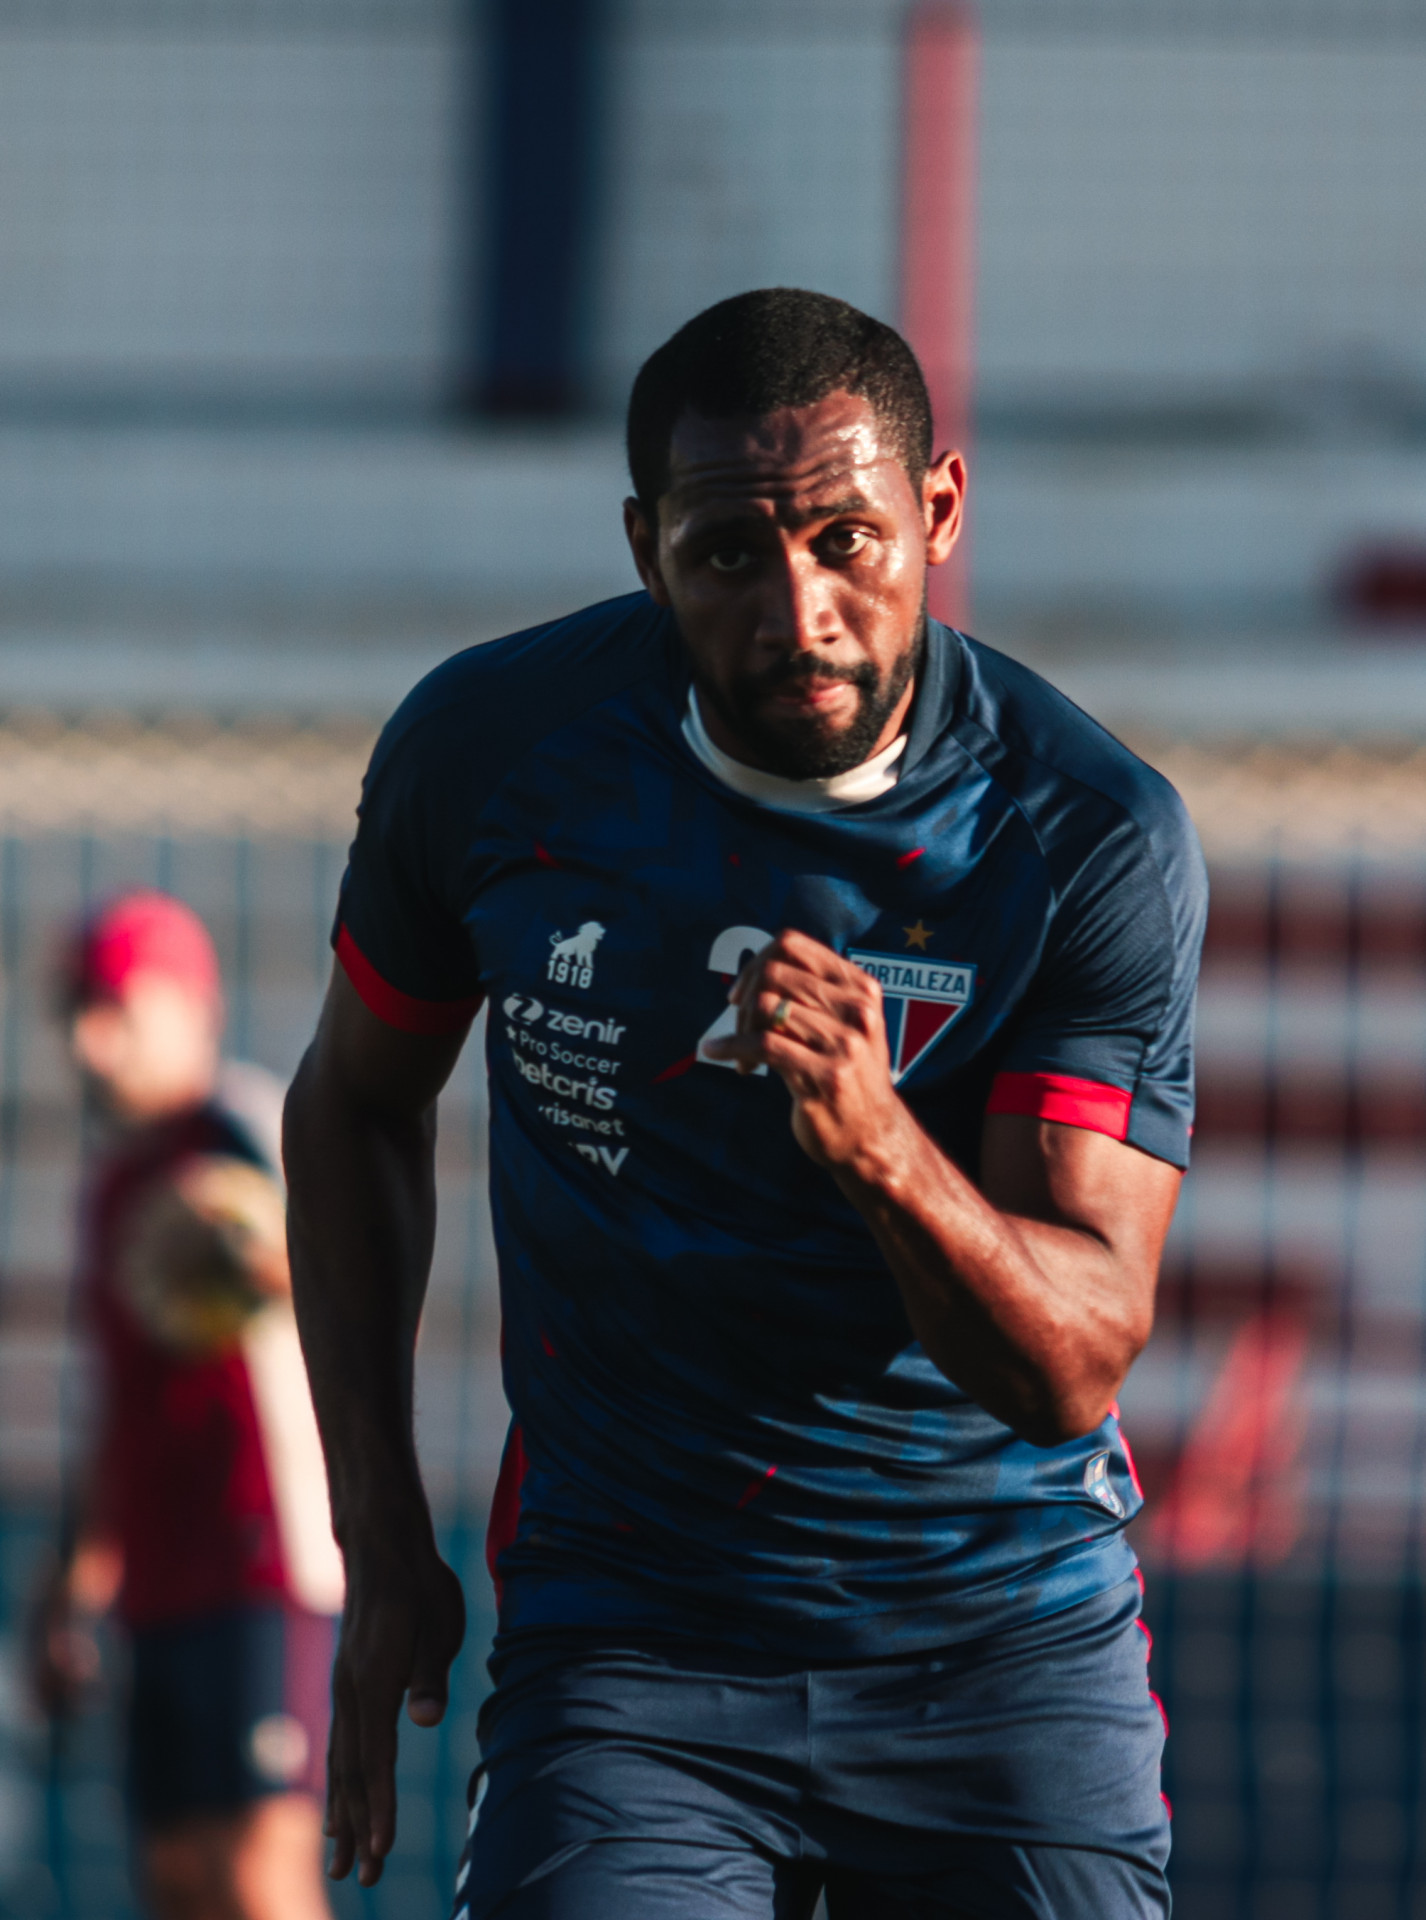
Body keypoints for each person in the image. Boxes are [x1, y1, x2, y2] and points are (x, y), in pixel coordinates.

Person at [284, 288, 1206, 1919]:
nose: (799, 610)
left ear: (938, 513)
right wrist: (379, 1540)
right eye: (728, 555)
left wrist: (879, 1151)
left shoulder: (1081, 835)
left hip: (996, 1642)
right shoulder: (498, 754)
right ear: (648, 548)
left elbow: (1071, 1361)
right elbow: (355, 1105)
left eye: (849, 538)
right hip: (631, 1646)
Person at [31, 890, 343, 1920]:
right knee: (175, 1883)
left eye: (115, 1007)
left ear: (188, 1003)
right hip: (160, 1584)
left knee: (257, 1874)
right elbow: (116, 1407)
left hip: (263, 1563)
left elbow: (342, 1270)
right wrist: (75, 1580)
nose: (88, 1039)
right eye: (77, 1011)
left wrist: (247, 1249)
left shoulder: (241, 1126)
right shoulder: (117, 1185)